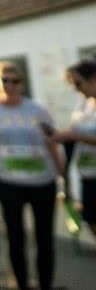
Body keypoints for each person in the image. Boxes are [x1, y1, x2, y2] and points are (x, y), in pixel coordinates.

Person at [0, 60, 63, 290]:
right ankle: (21, 284)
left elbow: (52, 144)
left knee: (44, 237)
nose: (10, 85)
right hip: (7, 182)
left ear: (22, 83)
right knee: (15, 236)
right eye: (5, 80)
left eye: (16, 80)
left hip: (42, 182)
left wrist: (63, 178)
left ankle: (45, 284)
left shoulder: (38, 110)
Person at [53, 58, 96, 238]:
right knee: (90, 219)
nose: (75, 89)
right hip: (87, 174)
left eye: (78, 83)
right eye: (72, 84)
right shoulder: (83, 104)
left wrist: (73, 136)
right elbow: (73, 134)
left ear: (93, 78)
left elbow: (75, 135)